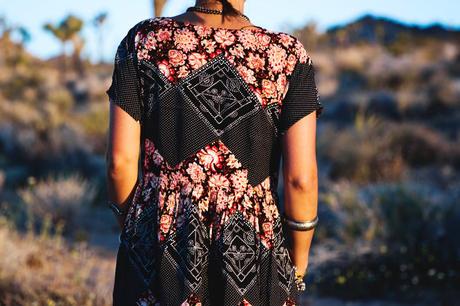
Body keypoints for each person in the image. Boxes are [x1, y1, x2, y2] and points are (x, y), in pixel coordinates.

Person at [105, 0, 323, 305]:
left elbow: (119, 163)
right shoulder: (286, 55)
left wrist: (138, 228)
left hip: (159, 238)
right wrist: (296, 265)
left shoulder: (144, 41)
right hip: (251, 246)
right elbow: (301, 180)